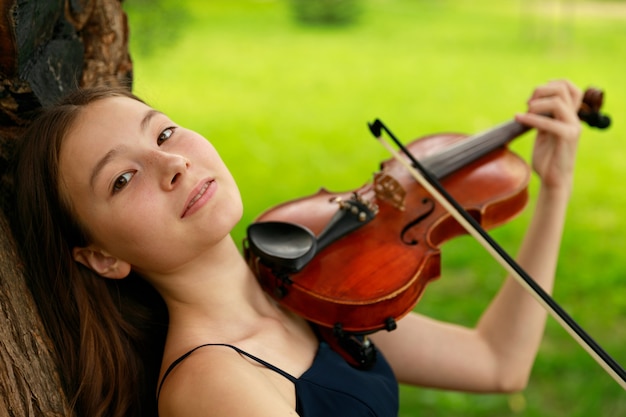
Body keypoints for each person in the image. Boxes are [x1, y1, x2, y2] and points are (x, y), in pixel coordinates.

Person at [11, 79, 583, 417]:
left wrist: (553, 188)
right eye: (121, 179)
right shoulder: (214, 385)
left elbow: (496, 361)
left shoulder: (306, 282)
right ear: (103, 257)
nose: (172, 164)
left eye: (163, 133)